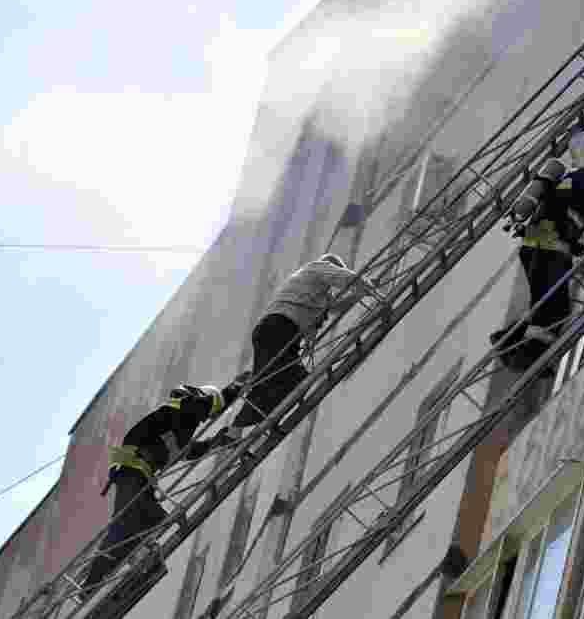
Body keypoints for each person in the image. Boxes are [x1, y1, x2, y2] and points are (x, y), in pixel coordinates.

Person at [82, 377, 249, 593]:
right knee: (129, 522)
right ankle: (93, 581)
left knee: (149, 522)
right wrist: (231, 392)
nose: (204, 420)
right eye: (207, 414)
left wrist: (215, 442)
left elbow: (187, 451)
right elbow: (198, 407)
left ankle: (105, 575)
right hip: (132, 472)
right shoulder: (178, 409)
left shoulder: (180, 427)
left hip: (142, 478)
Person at [491, 125, 584, 375]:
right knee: (553, 306)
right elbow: (578, 224)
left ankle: (509, 341)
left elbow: (576, 227)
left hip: (547, 236)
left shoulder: (547, 313)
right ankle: (524, 354)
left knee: (547, 303)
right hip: (551, 240)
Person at [232, 253, 385, 427]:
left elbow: (336, 307)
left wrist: (360, 294)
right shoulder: (316, 267)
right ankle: (244, 422)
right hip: (280, 327)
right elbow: (344, 277)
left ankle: (242, 426)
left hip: (275, 330)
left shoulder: (314, 290)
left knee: (284, 377)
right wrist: (365, 284)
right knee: (284, 377)